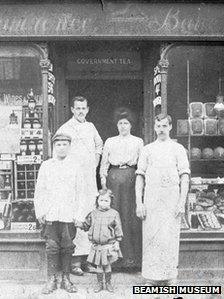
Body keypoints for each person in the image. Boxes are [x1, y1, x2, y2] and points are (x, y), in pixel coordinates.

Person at [135, 113, 190, 286]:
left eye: (164, 126)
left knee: (170, 237)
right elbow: (140, 177)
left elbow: (185, 176)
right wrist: (139, 202)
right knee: (151, 237)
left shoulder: (178, 149)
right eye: (158, 126)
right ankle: (151, 278)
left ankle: (170, 277)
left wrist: (181, 202)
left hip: (171, 199)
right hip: (151, 198)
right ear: (154, 127)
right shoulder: (147, 149)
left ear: (170, 127)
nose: (161, 130)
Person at [56, 96, 103, 275]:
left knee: (89, 217)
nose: (81, 111)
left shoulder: (91, 127)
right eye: (78, 108)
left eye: (83, 108)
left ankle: (88, 261)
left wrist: (95, 161)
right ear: (72, 110)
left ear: (88, 109)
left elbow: (99, 144)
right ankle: (75, 262)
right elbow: (58, 151)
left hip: (89, 179)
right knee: (76, 218)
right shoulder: (66, 128)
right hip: (73, 180)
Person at [34, 133, 85, 294]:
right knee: (52, 247)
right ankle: (51, 279)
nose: (61, 148)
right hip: (51, 213)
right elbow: (40, 190)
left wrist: (79, 215)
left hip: (68, 214)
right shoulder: (47, 165)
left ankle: (65, 278)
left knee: (67, 247)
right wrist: (40, 211)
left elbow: (81, 192)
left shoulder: (76, 166)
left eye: (64, 144)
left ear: (69, 147)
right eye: (58, 145)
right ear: (53, 147)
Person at [100, 107, 143, 270]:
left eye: (126, 123)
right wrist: (104, 184)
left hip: (131, 178)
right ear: (116, 125)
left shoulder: (138, 141)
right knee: (114, 216)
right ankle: (114, 260)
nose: (123, 126)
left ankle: (132, 260)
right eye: (120, 123)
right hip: (114, 179)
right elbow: (104, 164)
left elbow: (142, 164)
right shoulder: (110, 141)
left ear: (131, 125)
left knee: (130, 217)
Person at [76, 189, 123, 293]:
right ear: (97, 201)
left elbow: (118, 228)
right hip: (97, 245)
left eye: (106, 201)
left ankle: (109, 283)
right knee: (99, 266)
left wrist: (117, 241)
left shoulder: (114, 214)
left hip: (108, 245)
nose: (103, 203)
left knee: (107, 265)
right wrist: (80, 225)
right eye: (101, 200)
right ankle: (100, 284)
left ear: (111, 201)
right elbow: (86, 225)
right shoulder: (93, 214)